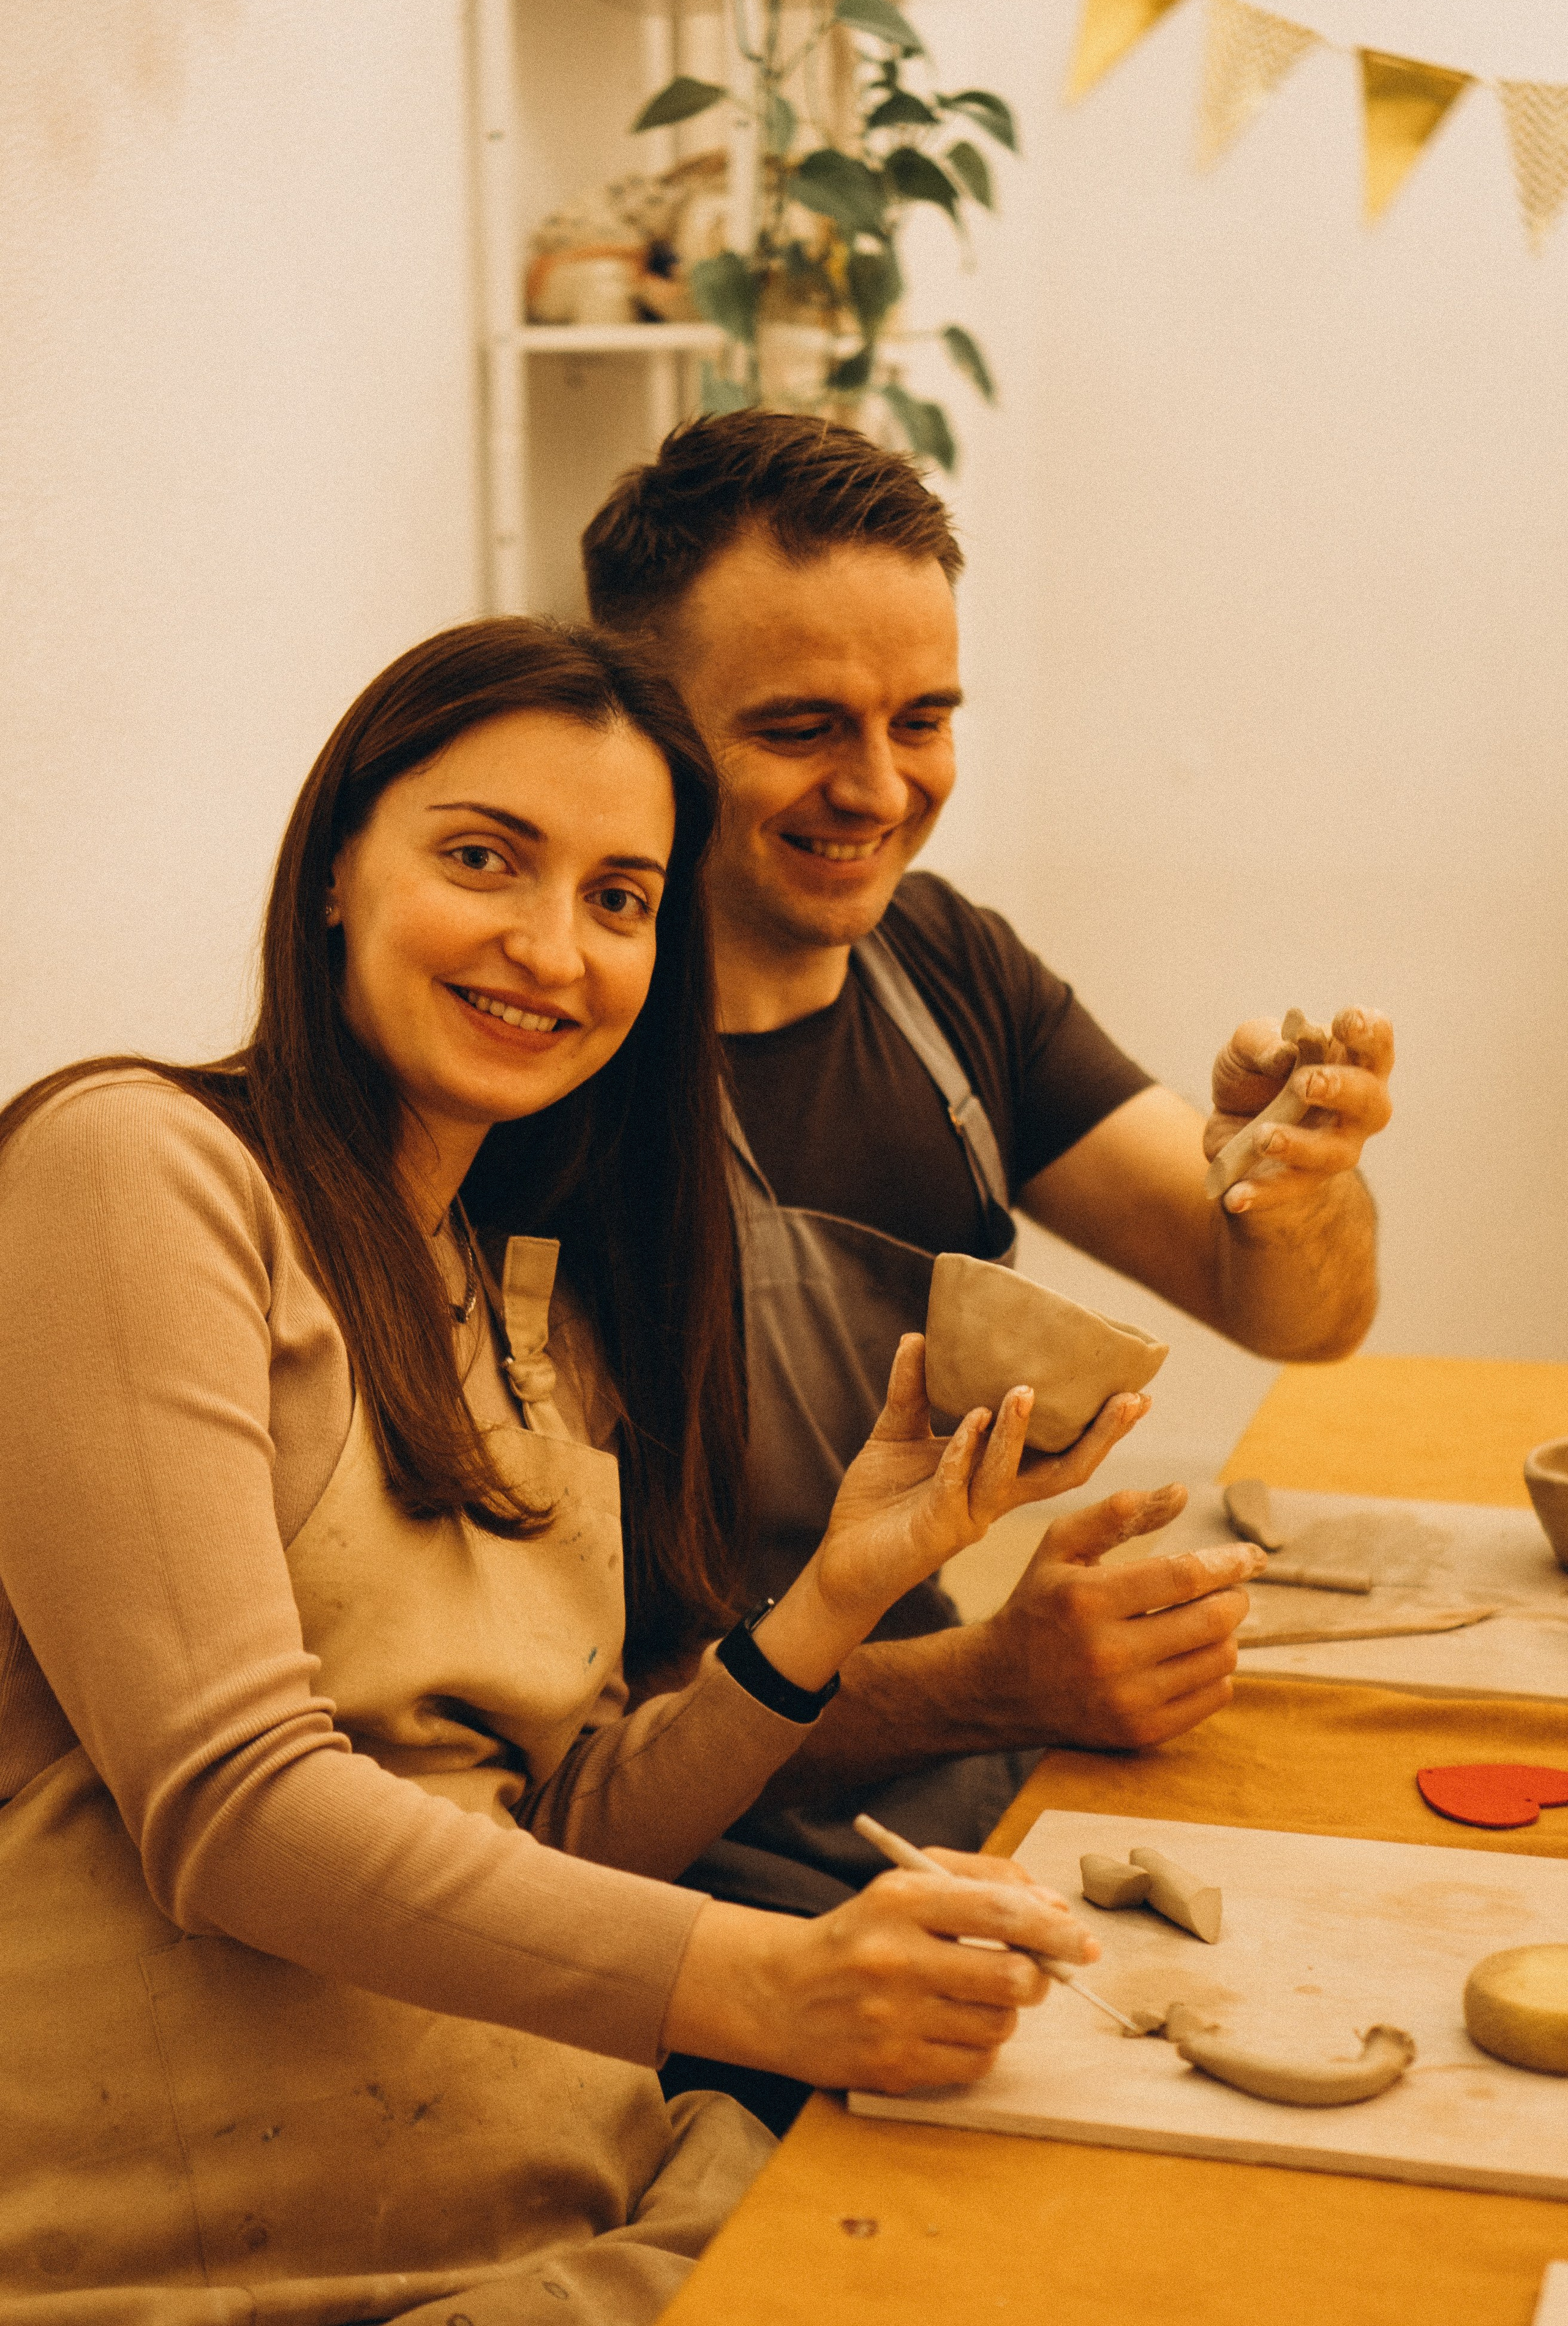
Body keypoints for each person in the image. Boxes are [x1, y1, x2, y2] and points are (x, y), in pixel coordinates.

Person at [0, 620, 1140, 2323]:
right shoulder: (137, 1171)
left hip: (574, 2182)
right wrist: (774, 1989)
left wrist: (839, 1590)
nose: (553, 947)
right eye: (485, 859)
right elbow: (234, 1815)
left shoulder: (527, 1296)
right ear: (334, 870)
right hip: (225, 2255)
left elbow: (563, 1827)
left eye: (620, 899)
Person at [581, 411, 1394, 1930]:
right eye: (800, 726)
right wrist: (987, 1676)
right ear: (639, 717)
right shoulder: (554, 1081)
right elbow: (571, 1757)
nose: (880, 790)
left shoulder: (938, 967)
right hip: (661, 1900)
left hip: (945, 1800)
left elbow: (1292, 1314)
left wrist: (1301, 1184)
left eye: (923, 718)